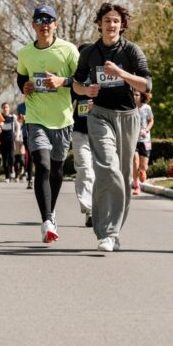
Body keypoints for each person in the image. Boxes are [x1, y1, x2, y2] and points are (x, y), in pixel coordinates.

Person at [73, 3, 152, 252]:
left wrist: (120, 73)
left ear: (122, 25)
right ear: (99, 24)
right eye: (107, 20)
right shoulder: (90, 52)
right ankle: (107, 233)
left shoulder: (131, 51)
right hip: (99, 115)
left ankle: (112, 231)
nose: (111, 25)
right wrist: (86, 90)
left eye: (116, 21)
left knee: (124, 176)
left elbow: (146, 85)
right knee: (108, 167)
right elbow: (76, 83)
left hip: (127, 117)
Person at [16, 4, 79, 244]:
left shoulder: (68, 50)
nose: (44, 25)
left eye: (48, 20)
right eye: (40, 20)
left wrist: (63, 81)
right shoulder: (25, 53)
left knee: (56, 170)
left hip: (62, 119)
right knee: (42, 166)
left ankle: (51, 211)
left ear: (55, 24)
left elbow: (81, 79)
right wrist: (24, 86)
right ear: (33, 25)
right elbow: (21, 77)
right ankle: (47, 221)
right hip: (36, 118)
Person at [71, 44, 95, 226]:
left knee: (101, 172)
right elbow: (64, 101)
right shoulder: (75, 79)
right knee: (85, 169)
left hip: (101, 131)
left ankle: (99, 207)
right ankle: (90, 210)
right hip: (79, 131)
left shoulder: (102, 75)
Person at [132, 89, 155, 196]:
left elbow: (151, 121)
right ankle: (136, 186)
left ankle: (142, 171)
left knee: (143, 166)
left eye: (137, 95)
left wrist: (146, 130)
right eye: (133, 95)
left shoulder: (147, 108)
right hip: (133, 139)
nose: (135, 96)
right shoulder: (129, 108)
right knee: (135, 162)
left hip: (146, 140)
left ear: (141, 96)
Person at [0, 102, 17, 182]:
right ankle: (7, 177)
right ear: (2, 108)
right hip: (2, 140)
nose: (5, 109)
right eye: (4, 107)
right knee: (4, 159)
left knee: (12, 157)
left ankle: (12, 168)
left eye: (7, 107)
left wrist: (17, 134)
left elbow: (17, 125)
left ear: (9, 108)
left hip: (10, 140)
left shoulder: (13, 117)